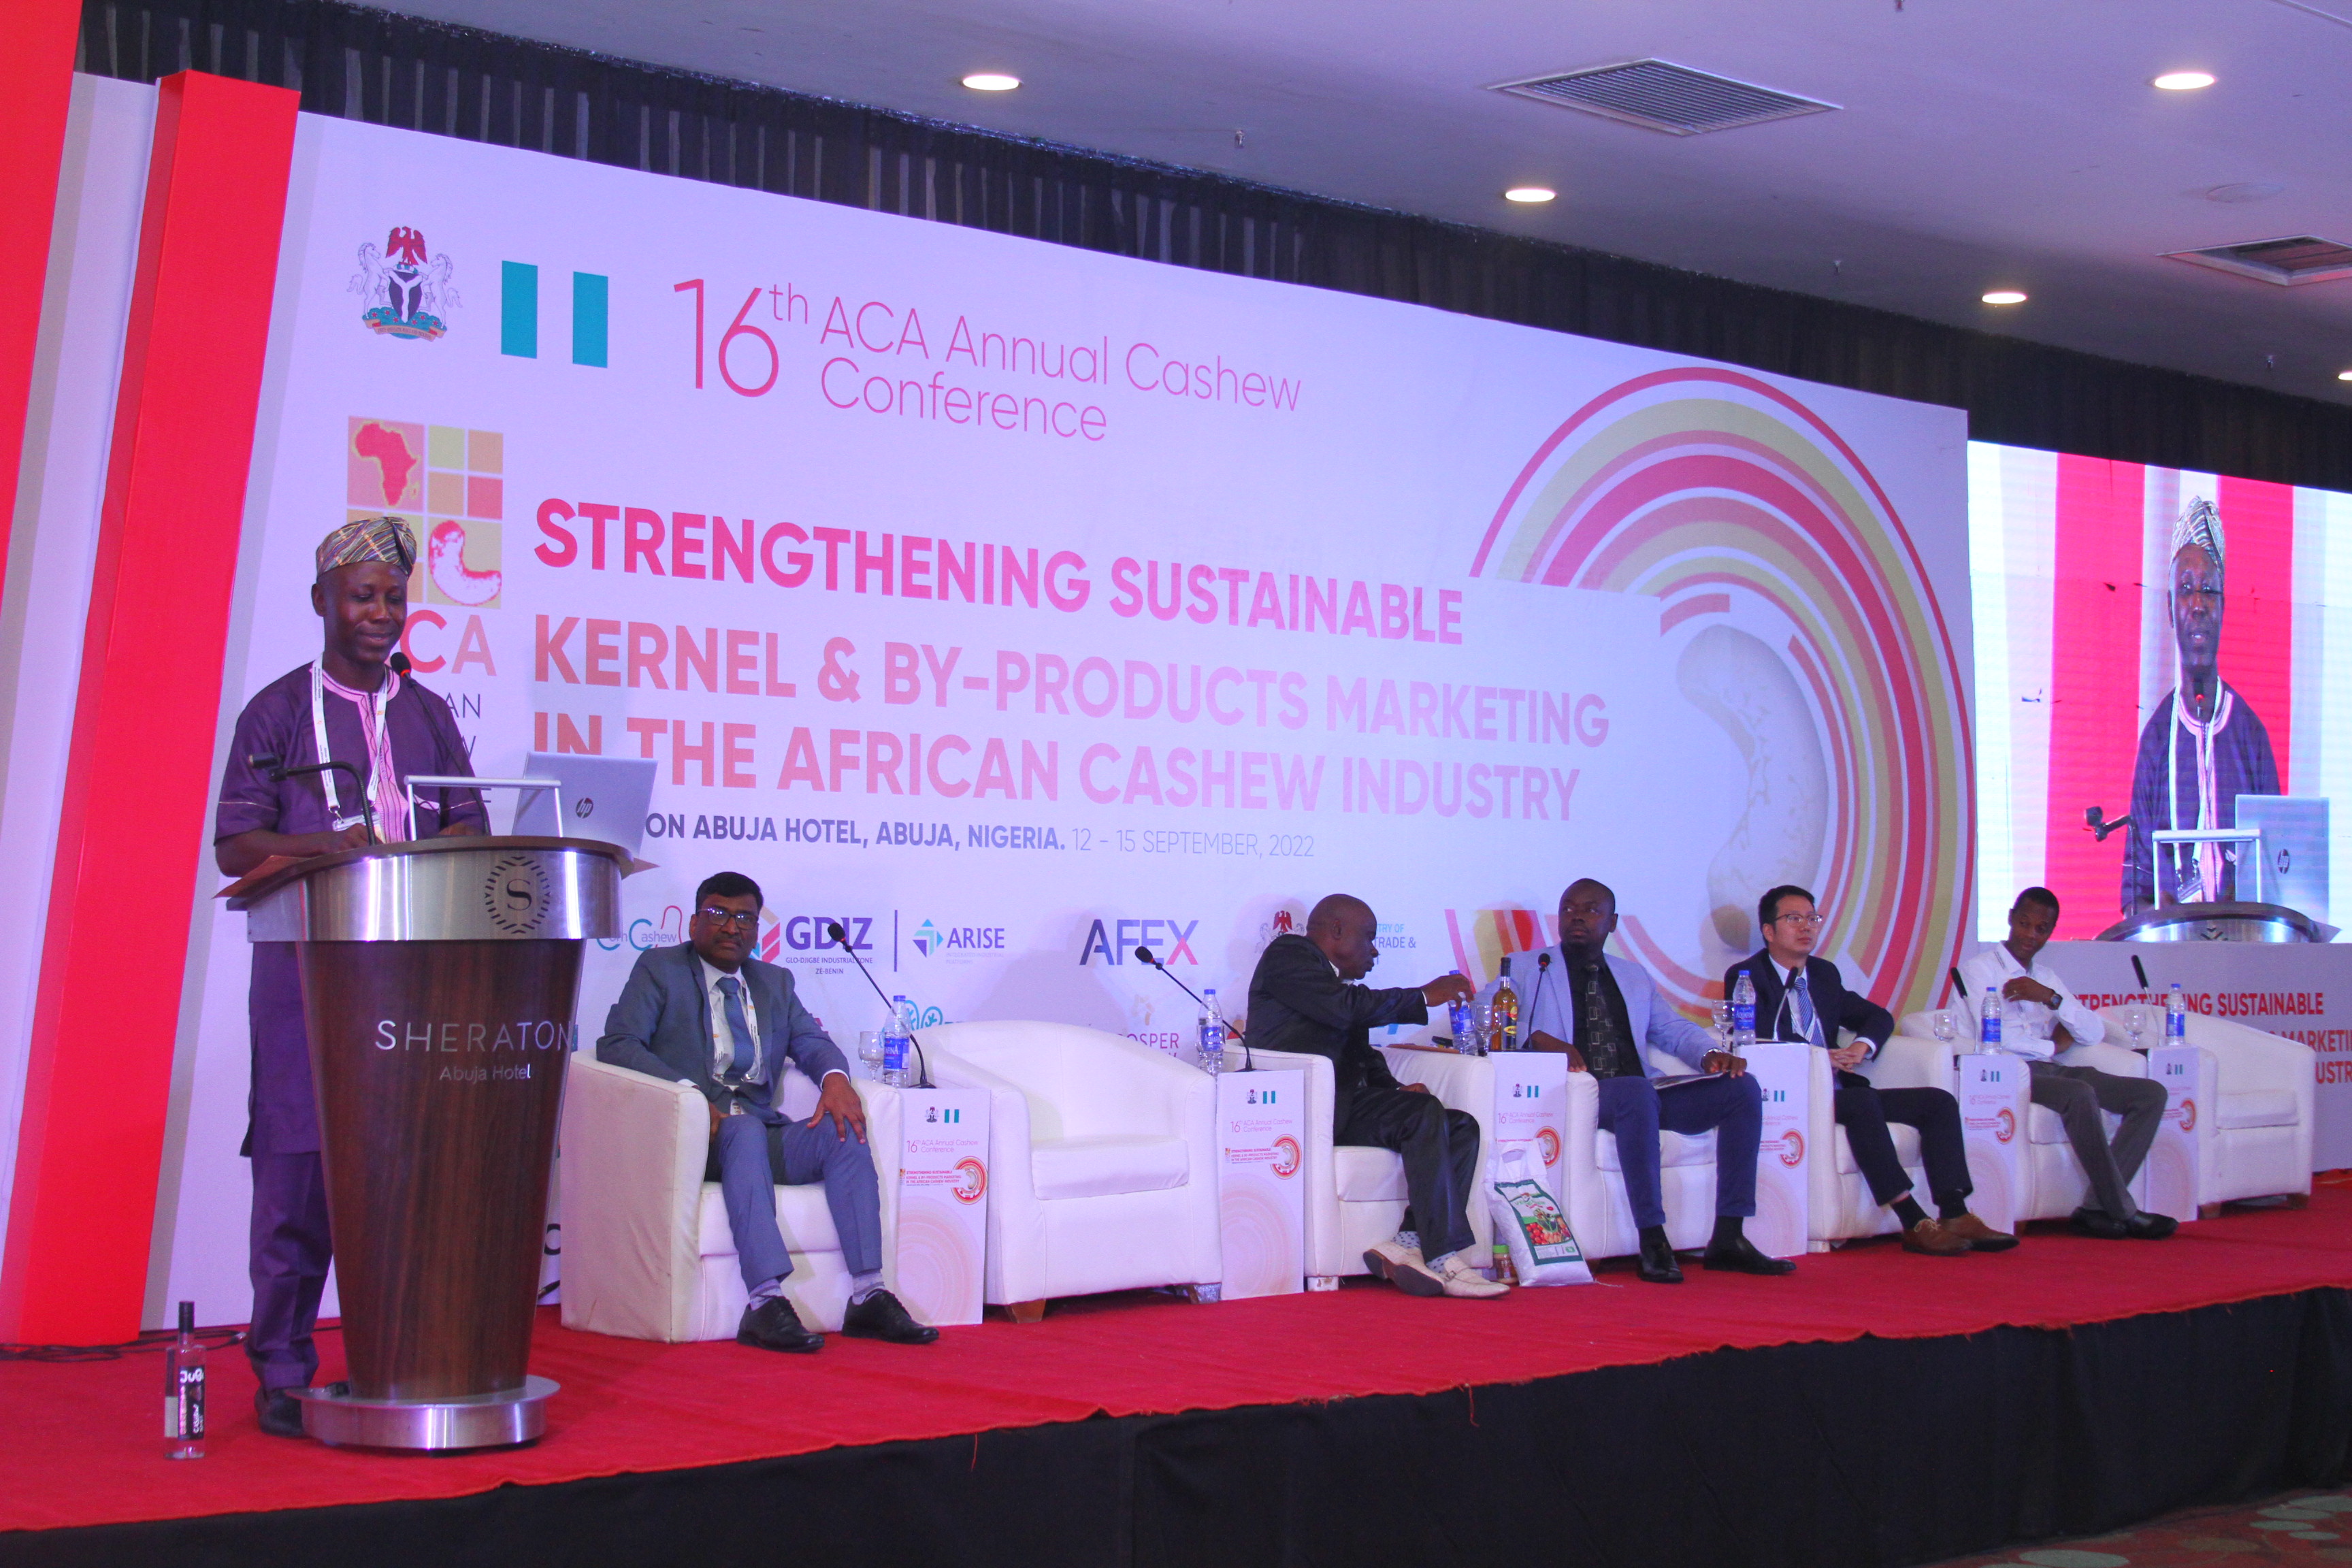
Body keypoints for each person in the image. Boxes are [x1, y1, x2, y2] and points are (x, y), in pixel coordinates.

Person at [215, 517, 488, 1437]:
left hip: (419, 976)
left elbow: (471, 824)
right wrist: (326, 846)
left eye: (394, 598)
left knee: (411, 1175)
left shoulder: (429, 712)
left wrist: (442, 846)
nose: (381, 613)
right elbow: (235, 844)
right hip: (307, 972)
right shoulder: (277, 710)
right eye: (363, 596)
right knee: (299, 1173)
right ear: (321, 602)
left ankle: (408, 1354)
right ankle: (283, 1371)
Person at [597, 870, 936, 1352]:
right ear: (694, 922)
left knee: (844, 1129)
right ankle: (764, 1302)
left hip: (759, 1133)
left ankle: (868, 1294)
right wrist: (689, 1095)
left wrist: (836, 1081)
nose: (731, 927)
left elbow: (813, 1042)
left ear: (757, 929)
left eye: (745, 918)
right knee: (744, 1131)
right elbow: (618, 1043)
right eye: (718, 913)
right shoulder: (661, 968)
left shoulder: (774, 982)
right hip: (696, 1136)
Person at [1522, 879, 1794, 1283]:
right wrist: (1536, 1039)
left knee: (1741, 1088)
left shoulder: (1633, 975)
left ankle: (1729, 1236)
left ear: (1613, 922)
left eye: (1591, 910)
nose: (1577, 916)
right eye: (1568, 908)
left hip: (1643, 1097)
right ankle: (1653, 1238)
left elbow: (1671, 1028)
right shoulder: (1529, 968)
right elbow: (1487, 1018)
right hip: (1583, 1095)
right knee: (1636, 1090)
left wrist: (1708, 1054)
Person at [1728, 885, 2014, 1257]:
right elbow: (1757, 1039)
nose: (1807, 927)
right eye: (1794, 919)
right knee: (1862, 1103)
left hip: (1839, 1090)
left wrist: (1861, 1047)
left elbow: (1877, 1016)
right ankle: (1913, 1220)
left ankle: (1955, 1212)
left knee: (1938, 1102)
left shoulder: (1823, 974)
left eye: (1813, 918)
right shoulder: (1747, 977)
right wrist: (1819, 1058)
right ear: (1769, 931)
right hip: (1792, 1096)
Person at [1241, 894, 1499, 1298]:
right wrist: (1423, 996)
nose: (1375, 951)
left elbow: (1361, 1054)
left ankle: (1409, 1243)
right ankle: (1442, 1257)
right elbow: (1346, 1009)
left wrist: (1394, 1090)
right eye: (1369, 938)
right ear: (1336, 931)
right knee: (1422, 1113)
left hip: (1341, 1105)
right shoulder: (1288, 955)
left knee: (1461, 1126)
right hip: (1303, 1109)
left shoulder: (1335, 986)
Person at [1957, 887, 2176, 1240]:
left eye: (2041, 929)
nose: (2031, 935)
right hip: (2010, 1073)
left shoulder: (2046, 978)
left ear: (2051, 931)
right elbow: (1994, 1039)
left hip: (2051, 1068)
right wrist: (2051, 1045)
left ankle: (2095, 1208)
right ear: (2011, 919)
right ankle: (2124, 1211)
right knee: (2078, 1092)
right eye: (2024, 924)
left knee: (2150, 1094)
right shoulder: (1978, 971)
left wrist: (2051, 998)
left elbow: (2091, 1031)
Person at [2125, 496, 2281, 911]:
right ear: (2170, 609)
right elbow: (2136, 891)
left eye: (2209, 591)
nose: (2197, 604)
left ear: (2224, 607)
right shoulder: (2156, 739)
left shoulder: (2250, 735)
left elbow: (2281, 874)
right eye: (2186, 590)